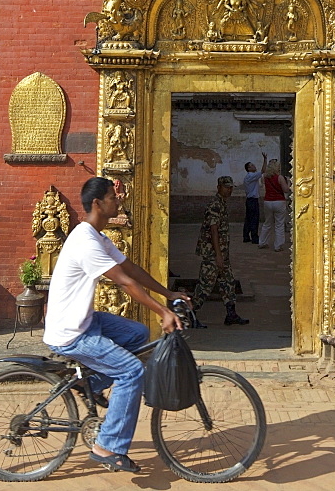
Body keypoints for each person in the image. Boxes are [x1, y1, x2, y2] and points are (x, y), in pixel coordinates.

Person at [44, 176, 191, 474]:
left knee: (138, 333)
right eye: (113, 196)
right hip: (72, 332)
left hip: (84, 319)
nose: (118, 200)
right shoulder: (86, 242)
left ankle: (92, 384)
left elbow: (130, 269)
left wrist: (168, 293)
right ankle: (107, 445)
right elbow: (124, 282)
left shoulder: (98, 236)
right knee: (131, 371)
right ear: (98, 204)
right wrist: (163, 312)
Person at [192, 176, 249, 327]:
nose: (229, 190)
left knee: (228, 282)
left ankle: (231, 315)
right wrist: (218, 255)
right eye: (226, 187)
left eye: (230, 187)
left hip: (221, 253)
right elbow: (213, 231)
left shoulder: (222, 204)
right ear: (219, 187)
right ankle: (188, 315)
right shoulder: (215, 205)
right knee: (205, 285)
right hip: (213, 253)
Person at [258, 159, 290, 252]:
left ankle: (262, 242)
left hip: (268, 201)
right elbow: (286, 190)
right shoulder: (279, 177)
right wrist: (288, 182)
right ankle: (278, 245)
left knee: (267, 223)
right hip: (279, 201)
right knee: (279, 224)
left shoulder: (264, 176)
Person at [243, 151, 267, 244]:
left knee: (248, 218)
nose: (254, 166)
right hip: (253, 200)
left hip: (249, 200)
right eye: (252, 165)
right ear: (249, 168)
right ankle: (254, 237)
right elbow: (263, 171)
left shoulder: (248, 177)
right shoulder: (252, 176)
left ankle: (246, 236)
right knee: (254, 219)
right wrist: (265, 159)